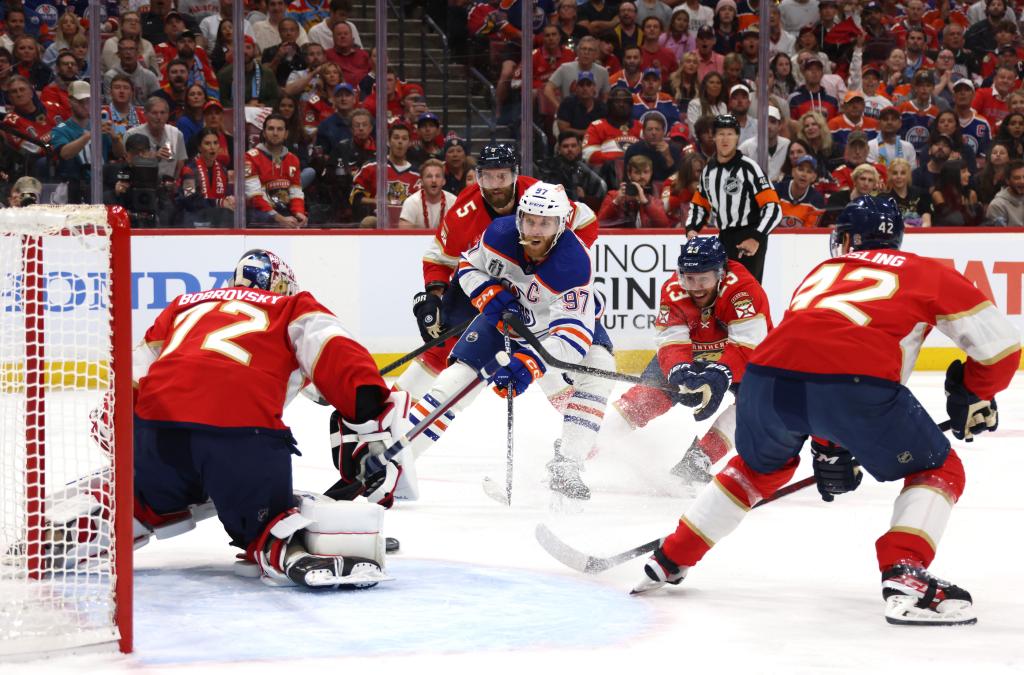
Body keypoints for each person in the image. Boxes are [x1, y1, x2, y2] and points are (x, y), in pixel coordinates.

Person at [632, 196, 1020, 630]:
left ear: (847, 239)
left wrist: (829, 446)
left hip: (765, 380)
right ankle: (904, 572)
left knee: (756, 471)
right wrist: (973, 395)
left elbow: (811, 354)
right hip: (855, 384)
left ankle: (671, 557)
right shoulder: (926, 270)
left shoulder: (823, 272)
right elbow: (1002, 350)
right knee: (940, 469)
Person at [133, 248, 400, 588]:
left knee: (143, 502)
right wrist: (369, 414)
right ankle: (284, 548)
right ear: (281, 284)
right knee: (266, 523)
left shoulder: (186, 304)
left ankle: (116, 521)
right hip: (239, 435)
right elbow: (341, 359)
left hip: (155, 434)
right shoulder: (292, 306)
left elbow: (132, 374)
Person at [390, 182, 615, 500]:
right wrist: (487, 293)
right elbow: (468, 266)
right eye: (529, 220)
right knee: (455, 382)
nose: (535, 230)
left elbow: (571, 336)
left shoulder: (574, 263)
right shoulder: (498, 234)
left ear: (561, 224)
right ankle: (396, 459)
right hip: (504, 324)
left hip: (553, 330)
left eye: (545, 223)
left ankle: (567, 465)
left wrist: (531, 365)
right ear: (520, 216)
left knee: (599, 368)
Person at [402, 144, 597, 409]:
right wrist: (434, 296)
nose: (495, 185)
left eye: (502, 176)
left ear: (515, 175)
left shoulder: (539, 196)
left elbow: (586, 220)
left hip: (534, 285)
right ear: (477, 177)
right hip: (480, 277)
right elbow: (440, 258)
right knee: (442, 337)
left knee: (542, 346)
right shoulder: (463, 211)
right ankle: (396, 404)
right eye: (487, 177)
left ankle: (575, 420)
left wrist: (556, 261)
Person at [601, 236, 772, 487]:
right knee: (647, 398)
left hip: (744, 359)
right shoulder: (674, 289)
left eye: (704, 278)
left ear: (721, 274)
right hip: (693, 354)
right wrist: (679, 372)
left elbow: (748, 346)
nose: (696, 287)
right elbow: (672, 341)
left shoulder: (743, 290)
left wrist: (718, 375)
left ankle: (699, 459)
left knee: (758, 402)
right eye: (689, 278)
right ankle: (583, 447)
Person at [685, 114, 782, 282]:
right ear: (713, 137)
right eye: (721, 134)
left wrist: (756, 238)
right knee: (722, 293)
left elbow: (773, 208)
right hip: (723, 238)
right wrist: (692, 229)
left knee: (745, 294)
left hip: (749, 235)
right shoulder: (708, 172)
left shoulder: (750, 168)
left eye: (730, 133)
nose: (725, 139)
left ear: (737, 137)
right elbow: (699, 205)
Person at [51, 81, 123, 204]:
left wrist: (115, 138)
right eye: (80, 102)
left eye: (88, 101)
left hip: (101, 184)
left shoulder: (102, 125)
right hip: (74, 186)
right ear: (70, 102)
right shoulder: (61, 129)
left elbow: (119, 154)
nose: (85, 106)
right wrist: (89, 135)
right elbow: (65, 154)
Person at [350, 122, 421, 227]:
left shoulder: (417, 175)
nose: (400, 142)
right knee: (368, 222)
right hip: (378, 221)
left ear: (409, 143)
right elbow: (355, 197)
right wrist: (377, 201)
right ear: (388, 141)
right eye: (396, 138)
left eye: (404, 139)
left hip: (406, 222)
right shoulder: (371, 167)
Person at [245, 114, 308, 227]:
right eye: (271, 129)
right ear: (264, 133)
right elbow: (254, 197)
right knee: (260, 216)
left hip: (284, 212)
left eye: (280, 129)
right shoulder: (250, 157)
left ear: (286, 134)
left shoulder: (293, 159)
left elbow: (296, 193)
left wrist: (299, 213)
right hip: (262, 214)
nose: (275, 133)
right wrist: (279, 219)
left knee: (304, 219)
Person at [176, 126, 234, 227]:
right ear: (199, 147)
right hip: (194, 217)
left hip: (217, 216)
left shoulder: (223, 170)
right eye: (207, 143)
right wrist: (218, 202)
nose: (212, 147)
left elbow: (226, 195)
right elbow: (189, 199)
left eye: (215, 143)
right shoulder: (188, 170)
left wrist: (230, 200)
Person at [597, 154, 673, 227]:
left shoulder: (654, 200)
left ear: (651, 174)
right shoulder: (613, 196)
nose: (642, 176)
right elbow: (600, 222)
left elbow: (664, 225)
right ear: (629, 174)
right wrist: (616, 202)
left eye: (646, 172)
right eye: (637, 172)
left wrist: (646, 203)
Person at [538, 132, 607, 209]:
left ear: (579, 148)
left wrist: (584, 197)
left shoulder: (585, 168)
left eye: (573, 146)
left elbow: (599, 193)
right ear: (559, 149)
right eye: (565, 146)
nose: (570, 149)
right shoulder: (550, 168)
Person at [127, 96, 188, 180]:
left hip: (168, 186)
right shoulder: (132, 134)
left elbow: (180, 164)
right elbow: (128, 164)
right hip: (140, 184)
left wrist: (174, 185)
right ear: (145, 115)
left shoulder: (176, 134)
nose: (159, 117)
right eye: (154, 113)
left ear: (168, 115)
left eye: (162, 113)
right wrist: (153, 157)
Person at [623, 110, 682, 182]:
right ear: (644, 132)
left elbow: (678, 180)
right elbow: (626, 178)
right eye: (650, 129)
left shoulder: (673, 150)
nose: (653, 133)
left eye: (657, 129)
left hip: (665, 190)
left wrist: (667, 156)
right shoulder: (633, 150)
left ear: (663, 132)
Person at [398, 159, 457, 229]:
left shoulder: (454, 202)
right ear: (421, 182)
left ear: (443, 181)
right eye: (429, 176)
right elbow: (404, 235)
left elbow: (460, 231)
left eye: (437, 176)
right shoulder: (411, 202)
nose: (434, 180)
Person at [738, 106, 789, 182]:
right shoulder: (747, 146)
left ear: (780, 125)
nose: (768, 126)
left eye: (773, 122)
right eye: (765, 122)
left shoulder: (787, 144)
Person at [775, 154, 826, 228]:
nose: (804, 174)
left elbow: (809, 233)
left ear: (814, 177)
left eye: (809, 172)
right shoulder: (776, 190)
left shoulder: (817, 200)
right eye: (801, 169)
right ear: (793, 172)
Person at [881, 157, 931, 227]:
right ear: (890, 175)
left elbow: (927, 219)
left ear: (908, 175)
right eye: (895, 173)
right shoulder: (883, 198)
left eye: (903, 173)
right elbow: (888, 222)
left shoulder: (921, 193)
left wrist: (922, 228)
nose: (899, 176)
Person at [930, 159, 980, 226]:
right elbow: (953, 220)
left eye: (967, 171)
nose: (969, 174)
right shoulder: (938, 195)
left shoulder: (971, 194)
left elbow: (977, 220)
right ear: (952, 175)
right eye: (964, 171)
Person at [984, 159, 1024, 225]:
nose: (1022, 181)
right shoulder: (997, 205)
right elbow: (1000, 234)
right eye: (1017, 178)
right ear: (1007, 180)